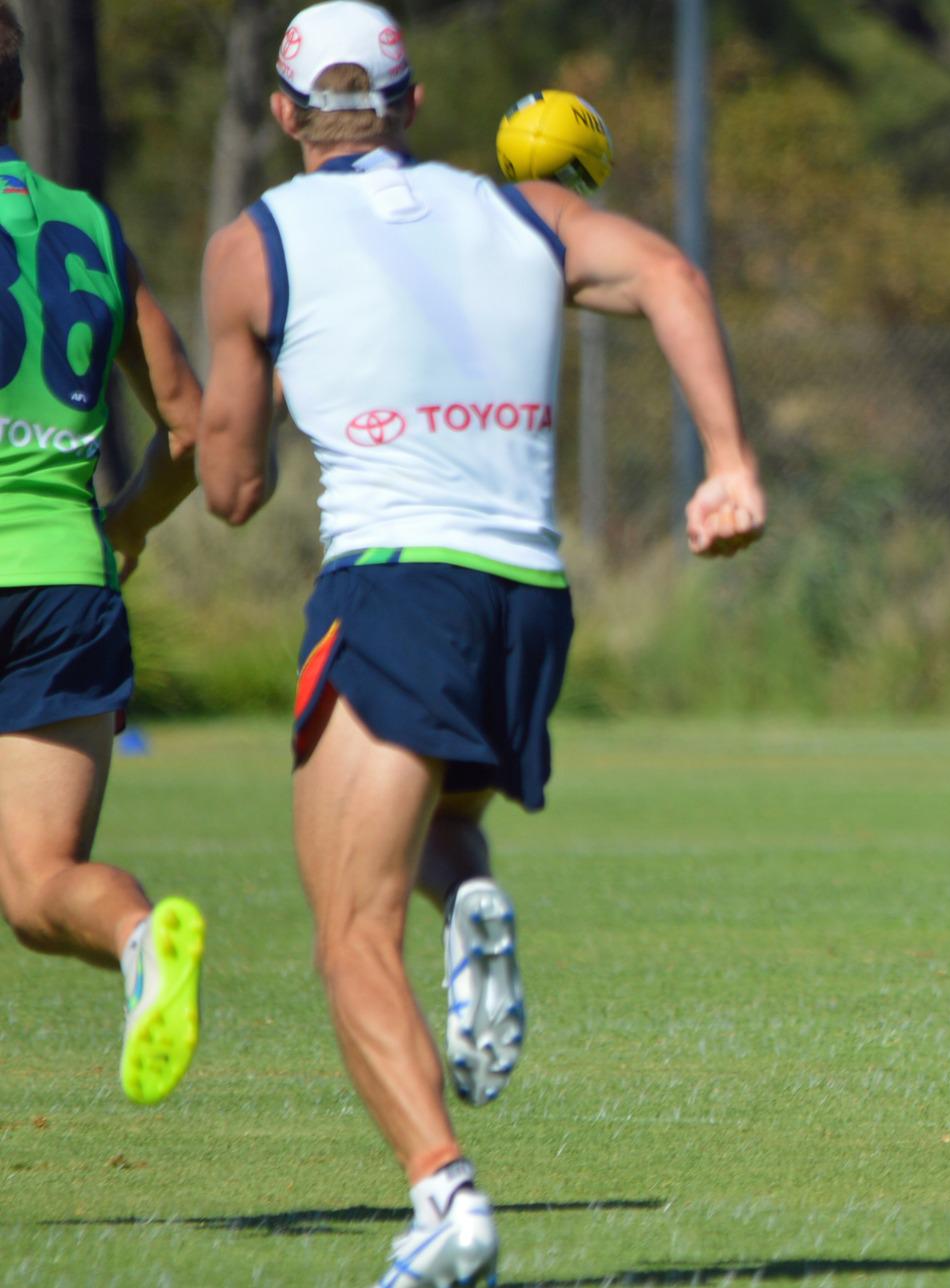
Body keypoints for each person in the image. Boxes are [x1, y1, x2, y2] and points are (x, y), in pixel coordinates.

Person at [195, 5, 764, 1284]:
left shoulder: (254, 244)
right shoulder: (520, 211)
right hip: (526, 596)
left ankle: (444, 1199)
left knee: (349, 927)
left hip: (395, 586)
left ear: (285, 115)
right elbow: (676, 278)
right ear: (411, 105)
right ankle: (476, 903)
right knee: (438, 822)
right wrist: (727, 463)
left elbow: (232, 490)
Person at [0, 0, 208, 1108]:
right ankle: (137, 939)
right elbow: (192, 427)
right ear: (20, 97)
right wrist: (127, 520)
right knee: (38, 892)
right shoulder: (87, 223)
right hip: (66, 583)